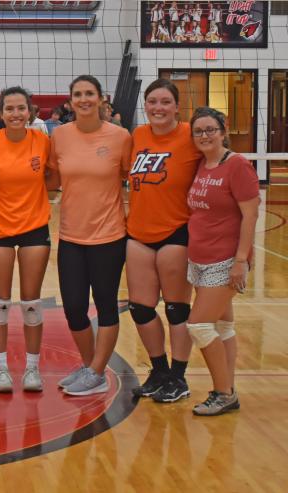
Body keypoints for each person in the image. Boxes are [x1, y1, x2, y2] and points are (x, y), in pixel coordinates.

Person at [49, 75, 133, 396]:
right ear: (70, 101)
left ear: (100, 99)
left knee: (106, 306)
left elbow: (134, 180)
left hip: (109, 237)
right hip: (71, 236)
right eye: (77, 94)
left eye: (89, 93)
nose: (83, 99)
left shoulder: (120, 137)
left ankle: (96, 370)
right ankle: (91, 369)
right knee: (73, 308)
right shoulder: (59, 137)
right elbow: (52, 180)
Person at [127, 79, 201, 403]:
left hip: (176, 231)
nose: (158, 107)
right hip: (138, 233)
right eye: (153, 101)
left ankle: (178, 377)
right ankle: (158, 372)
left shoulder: (190, 135)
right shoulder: (138, 136)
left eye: (165, 102)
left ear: (176, 106)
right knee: (140, 309)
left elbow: (218, 163)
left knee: (175, 309)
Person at [0, 87, 53, 393]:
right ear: (0, 112)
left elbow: (53, 177)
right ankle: (1, 370)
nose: (16, 114)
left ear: (30, 111)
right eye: (9, 108)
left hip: (35, 226)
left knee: (32, 303)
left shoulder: (42, 141)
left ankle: (32, 369)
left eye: (21, 108)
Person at [186, 107, 259, 416]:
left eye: (210, 129)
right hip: (199, 257)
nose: (204, 135)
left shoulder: (238, 165)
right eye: (198, 131)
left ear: (223, 130)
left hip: (225, 260)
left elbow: (251, 215)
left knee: (199, 326)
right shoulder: (203, 164)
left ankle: (222, 392)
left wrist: (240, 261)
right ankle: (228, 388)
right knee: (223, 326)